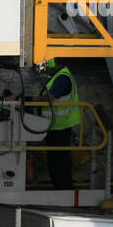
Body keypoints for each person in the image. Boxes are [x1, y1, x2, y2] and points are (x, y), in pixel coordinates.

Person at [42, 58, 79, 190]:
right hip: (56, 126)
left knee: (59, 161)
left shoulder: (62, 77)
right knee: (57, 159)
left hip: (59, 126)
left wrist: (34, 100)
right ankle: (60, 187)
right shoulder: (59, 76)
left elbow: (51, 96)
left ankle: (63, 188)